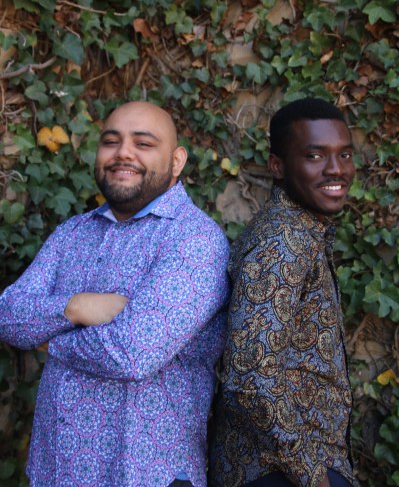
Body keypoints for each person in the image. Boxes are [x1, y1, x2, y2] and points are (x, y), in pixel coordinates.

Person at [0, 101, 230, 487]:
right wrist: (75, 307)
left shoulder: (195, 240)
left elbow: (131, 353)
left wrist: (46, 340)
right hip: (56, 473)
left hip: (145, 476)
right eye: (111, 141)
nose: (123, 152)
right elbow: (8, 316)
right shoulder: (73, 232)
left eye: (143, 143)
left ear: (177, 161)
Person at [208, 97, 359, 487]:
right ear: (277, 165)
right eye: (315, 155)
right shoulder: (283, 239)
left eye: (344, 155)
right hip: (279, 473)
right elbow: (249, 375)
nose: (336, 169)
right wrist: (312, 473)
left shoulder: (304, 230)